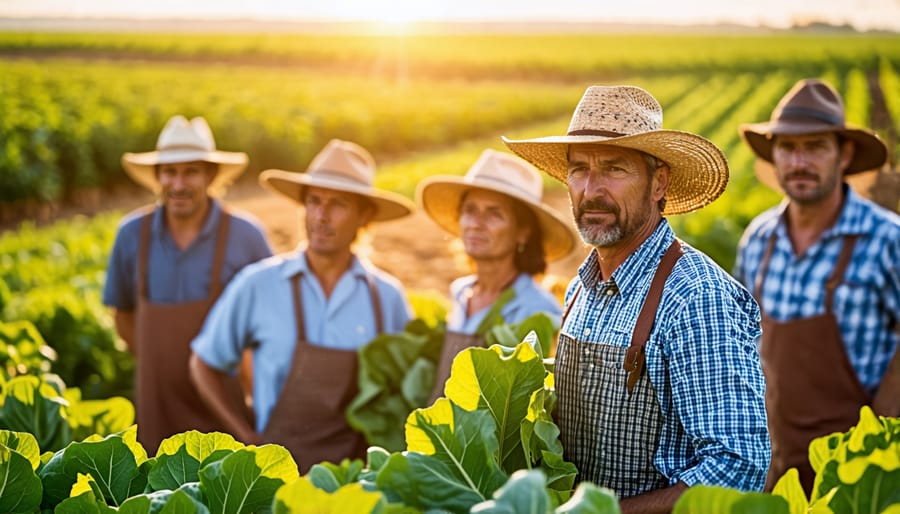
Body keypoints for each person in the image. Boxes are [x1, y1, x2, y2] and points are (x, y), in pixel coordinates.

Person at [503, 85, 770, 509]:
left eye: (614, 169)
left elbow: (738, 468)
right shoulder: (579, 289)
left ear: (659, 182)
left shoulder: (696, 298)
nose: (591, 190)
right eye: (578, 170)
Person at [189, 139, 415, 472]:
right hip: (277, 481)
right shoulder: (258, 285)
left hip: (358, 485)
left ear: (364, 215)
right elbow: (204, 362)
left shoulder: (387, 297)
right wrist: (245, 437)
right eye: (314, 202)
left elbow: (403, 395)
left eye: (337, 204)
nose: (321, 216)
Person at [735, 78, 900, 493]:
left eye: (815, 147)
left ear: (844, 155)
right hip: (774, 468)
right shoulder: (758, 240)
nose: (799, 161)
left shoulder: (885, 239)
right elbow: (740, 345)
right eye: (788, 148)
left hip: (862, 476)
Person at [103, 115, 272, 454]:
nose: (179, 184)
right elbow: (123, 316)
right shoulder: (131, 235)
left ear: (210, 176)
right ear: (157, 177)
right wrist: (159, 364)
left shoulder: (246, 237)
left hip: (227, 409)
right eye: (169, 172)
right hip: (157, 410)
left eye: (191, 171)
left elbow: (269, 329)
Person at [416, 148, 577, 402]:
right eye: (470, 210)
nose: (477, 223)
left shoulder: (537, 309)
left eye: (494, 213)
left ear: (523, 232)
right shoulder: (460, 292)